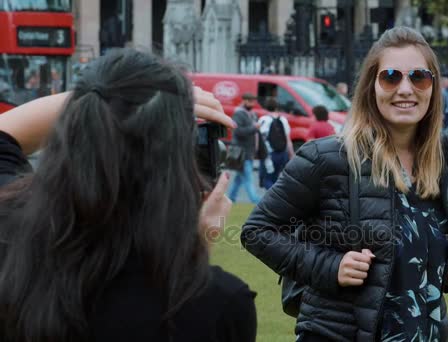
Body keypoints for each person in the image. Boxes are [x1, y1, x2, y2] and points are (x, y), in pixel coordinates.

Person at [0, 48, 257, 342]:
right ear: (176, 164)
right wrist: (194, 249)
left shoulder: (9, 235)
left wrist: (100, 96)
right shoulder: (214, 303)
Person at [241, 27, 448, 342]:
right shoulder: (329, 159)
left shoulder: (447, 167)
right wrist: (330, 267)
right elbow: (258, 231)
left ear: (432, 87)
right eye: (391, 76)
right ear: (371, 86)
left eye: (419, 77)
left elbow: (408, 262)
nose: (405, 89)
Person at [228, 92, 261, 203]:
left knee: (238, 179)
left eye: (254, 102)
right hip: (241, 152)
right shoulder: (239, 114)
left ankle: (230, 198)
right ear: (245, 101)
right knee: (248, 179)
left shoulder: (252, 114)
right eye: (250, 101)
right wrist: (254, 127)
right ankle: (256, 202)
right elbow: (238, 131)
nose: (252, 104)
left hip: (249, 151)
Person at [258, 97, 294, 190]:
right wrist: (291, 154)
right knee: (275, 178)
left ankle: (274, 199)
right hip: (282, 153)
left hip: (268, 153)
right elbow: (288, 139)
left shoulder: (264, 119)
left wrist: (258, 152)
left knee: (266, 179)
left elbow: (261, 138)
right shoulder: (283, 120)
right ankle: (275, 198)